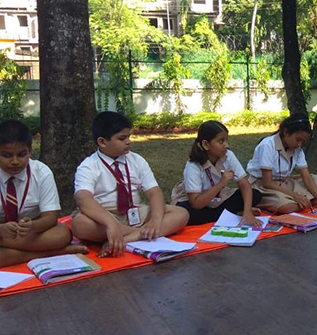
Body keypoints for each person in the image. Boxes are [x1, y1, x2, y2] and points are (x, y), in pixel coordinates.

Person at [72, 112, 189, 257]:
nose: (128, 141)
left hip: (134, 212)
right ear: (102, 142)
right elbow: (84, 200)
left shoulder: (136, 160)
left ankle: (127, 238)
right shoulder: (88, 166)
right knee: (79, 224)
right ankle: (142, 233)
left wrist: (155, 219)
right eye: (122, 138)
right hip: (104, 215)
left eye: (129, 137)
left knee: (181, 213)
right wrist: (110, 223)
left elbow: (154, 192)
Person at [0, 120, 87, 267]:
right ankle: (53, 253)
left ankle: (12, 253)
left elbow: (51, 217)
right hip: (4, 231)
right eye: (6, 155)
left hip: (30, 233)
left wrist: (33, 226)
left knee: (62, 234)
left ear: (30, 151)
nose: (15, 161)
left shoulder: (41, 172)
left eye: (21, 154)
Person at [171, 121, 262, 226]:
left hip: (218, 198)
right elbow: (196, 204)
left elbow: (244, 184)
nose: (226, 145)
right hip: (196, 200)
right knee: (188, 213)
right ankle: (232, 213)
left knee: (255, 194)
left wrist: (247, 212)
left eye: (226, 140)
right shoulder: (193, 165)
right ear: (206, 144)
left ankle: (229, 214)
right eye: (221, 141)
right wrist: (221, 184)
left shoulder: (228, 155)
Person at [247, 112, 317, 215]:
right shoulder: (267, 145)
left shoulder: (298, 149)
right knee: (288, 207)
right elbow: (268, 183)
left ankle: (309, 200)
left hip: (285, 182)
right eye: (298, 140)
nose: (299, 144)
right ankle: (308, 200)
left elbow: (306, 176)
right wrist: (295, 195)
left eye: (303, 142)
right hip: (264, 186)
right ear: (286, 132)